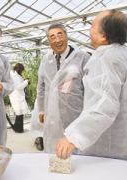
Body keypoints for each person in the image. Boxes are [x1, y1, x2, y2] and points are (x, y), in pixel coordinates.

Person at [55, 10, 127, 160]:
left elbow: (103, 105)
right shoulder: (121, 54)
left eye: (92, 25)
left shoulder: (105, 58)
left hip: (107, 147)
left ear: (103, 36)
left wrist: (73, 137)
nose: (89, 29)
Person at [37, 23, 90, 154]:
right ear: (48, 41)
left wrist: (88, 114)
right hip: (51, 114)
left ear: (66, 36)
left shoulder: (82, 57)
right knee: (53, 150)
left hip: (75, 113)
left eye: (60, 35)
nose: (57, 40)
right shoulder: (46, 59)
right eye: (52, 37)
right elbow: (41, 86)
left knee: (75, 150)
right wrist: (42, 110)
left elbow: (91, 89)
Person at [9, 63, 29, 133]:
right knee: (19, 113)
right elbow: (19, 87)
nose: (22, 72)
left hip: (17, 96)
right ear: (19, 69)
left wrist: (24, 81)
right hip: (17, 96)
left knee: (19, 113)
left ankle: (18, 128)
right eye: (21, 70)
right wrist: (26, 82)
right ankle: (18, 129)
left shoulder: (15, 75)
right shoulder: (15, 76)